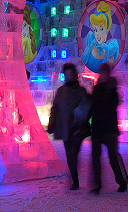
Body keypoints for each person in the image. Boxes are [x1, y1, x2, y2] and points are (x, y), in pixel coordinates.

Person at [47, 62, 88, 190]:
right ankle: (74, 179)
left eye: (71, 74)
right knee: (69, 155)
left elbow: (85, 109)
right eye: (67, 74)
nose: (69, 76)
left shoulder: (81, 91)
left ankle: (75, 180)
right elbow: (55, 109)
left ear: (75, 75)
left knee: (73, 153)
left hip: (78, 129)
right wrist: (52, 124)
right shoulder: (61, 91)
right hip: (65, 128)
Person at [89, 62, 128, 194]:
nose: (103, 75)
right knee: (95, 157)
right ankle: (97, 185)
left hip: (109, 128)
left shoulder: (112, 89)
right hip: (98, 128)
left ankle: (122, 181)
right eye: (102, 73)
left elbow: (111, 106)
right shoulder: (97, 88)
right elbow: (93, 106)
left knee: (113, 157)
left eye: (105, 73)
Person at [82, 1, 120, 72]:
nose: (98, 34)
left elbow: (108, 72)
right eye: (95, 30)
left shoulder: (112, 48)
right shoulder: (90, 39)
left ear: (107, 29)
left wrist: (106, 49)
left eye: (101, 29)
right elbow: (82, 61)